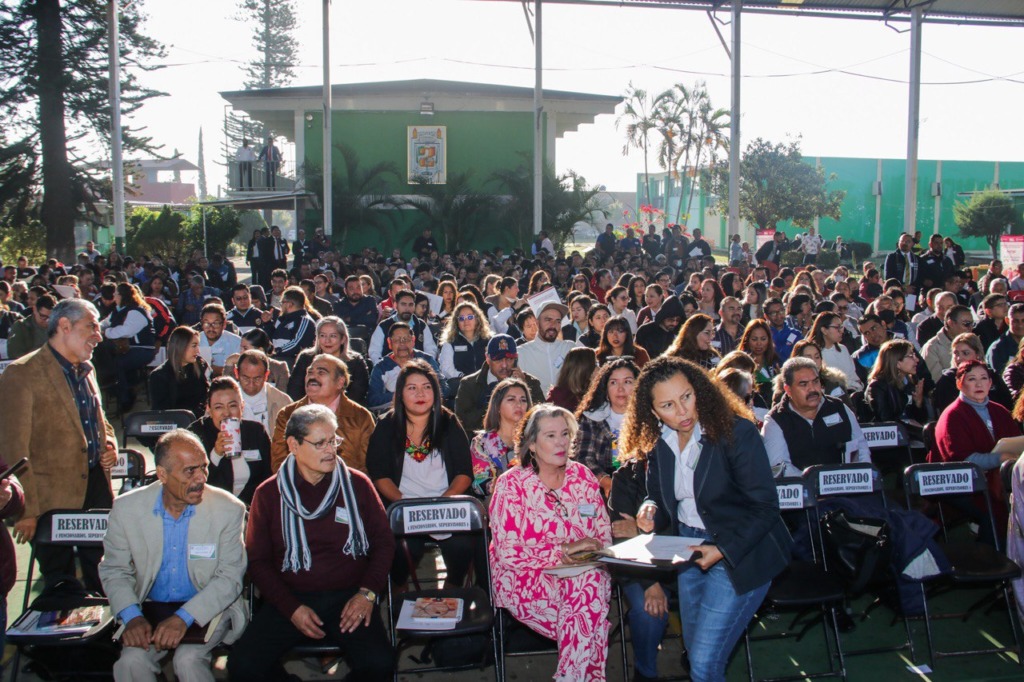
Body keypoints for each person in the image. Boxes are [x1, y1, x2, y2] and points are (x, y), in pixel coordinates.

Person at [624, 357, 791, 682]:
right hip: (689, 549)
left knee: (703, 663)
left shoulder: (735, 431)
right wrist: (649, 506)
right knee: (696, 654)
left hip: (739, 555)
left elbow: (766, 507)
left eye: (687, 396)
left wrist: (722, 549)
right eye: (668, 405)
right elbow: (658, 494)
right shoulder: (661, 442)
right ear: (653, 411)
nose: (682, 411)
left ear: (700, 388)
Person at [228, 405, 394, 682]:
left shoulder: (357, 484)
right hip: (290, 598)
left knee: (380, 664)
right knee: (243, 665)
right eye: (320, 443)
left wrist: (366, 594)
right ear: (293, 444)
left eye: (334, 440)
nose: (331, 450)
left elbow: (384, 543)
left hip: (349, 597)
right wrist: (290, 608)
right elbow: (258, 561)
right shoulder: (269, 493)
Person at [99, 430, 248, 682]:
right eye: (190, 471)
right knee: (131, 662)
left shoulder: (228, 509)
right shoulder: (127, 509)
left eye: (203, 468)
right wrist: (132, 616)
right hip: (148, 607)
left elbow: (230, 577)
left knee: (188, 659)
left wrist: (183, 617)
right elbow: (114, 569)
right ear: (162, 475)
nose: (201, 478)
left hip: (206, 608)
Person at [0, 298, 118, 591]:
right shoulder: (22, 373)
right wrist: (27, 511)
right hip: (49, 502)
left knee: (104, 574)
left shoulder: (86, 370)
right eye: (91, 325)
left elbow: (101, 420)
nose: (98, 334)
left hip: (95, 490)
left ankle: (103, 636)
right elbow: (14, 448)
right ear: (64, 326)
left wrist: (110, 445)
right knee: (60, 585)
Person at [488, 404, 613, 680]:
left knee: (587, 588)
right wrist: (562, 552)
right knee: (591, 615)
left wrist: (590, 553)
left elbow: (603, 532)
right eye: (551, 436)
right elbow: (508, 553)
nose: (562, 442)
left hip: (584, 575)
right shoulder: (512, 485)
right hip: (525, 579)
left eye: (565, 434)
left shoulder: (582, 476)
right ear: (531, 444)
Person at [366, 361, 478, 588]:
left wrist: (444, 503)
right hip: (404, 508)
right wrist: (403, 503)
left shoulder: (448, 422)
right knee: (400, 551)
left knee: (463, 547)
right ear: (400, 394)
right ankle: (398, 593)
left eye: (427, 387)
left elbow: (464, 472)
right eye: (412, 388)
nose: (420, 394)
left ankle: (452, 589)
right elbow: (379, 474)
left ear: (436, 392)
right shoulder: (386, 425)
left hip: (446, 509)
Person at [933, 361, 1019, 544]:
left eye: (983, 379)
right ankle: (994, 561)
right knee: (995, 509)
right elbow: (963, 460)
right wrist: (1000, 459)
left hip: (1002, 480)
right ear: (960, 384)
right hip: (963, 485)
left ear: (990, 383)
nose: (979, 384)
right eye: (972, 379)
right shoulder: (952, 416)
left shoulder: (1000, 411)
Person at [761, 357, 870, 477]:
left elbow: (861, 447)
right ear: (788, 390)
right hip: (805, 491)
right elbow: (780, 467)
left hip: (846, 487)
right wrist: (818, 482)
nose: (812, 389)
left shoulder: (839, 407)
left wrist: (861, 475)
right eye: (803, 384)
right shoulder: (775, 421)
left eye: (815, 381)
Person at [272, 354, 374, 474]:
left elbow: (369, 466)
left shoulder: (360, 417)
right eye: (310, 372)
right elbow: (279, 464)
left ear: (340, 382)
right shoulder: (288, 414)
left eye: (321, 373)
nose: (312, 377)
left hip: (347, 488)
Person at [188, 377, 272, 505]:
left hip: (250, 507)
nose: (226, 413)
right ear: (209, 410)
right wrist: (216, 455)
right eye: (218, 407)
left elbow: (268, 477)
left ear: (242, 407)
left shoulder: (256, 431)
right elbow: (193, 482)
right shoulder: (196, 434)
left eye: (232, 406)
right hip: (210, 506)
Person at [572, 357, 640, 498]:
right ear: (605, 388)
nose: (620, 389)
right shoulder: (591, 418)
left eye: (627, 382)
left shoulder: (649, 418)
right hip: (600, 489)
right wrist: (606, 482)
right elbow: (583, 458)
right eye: (613, 383)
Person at [454, 333, 544, 433]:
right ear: (488, 359)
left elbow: (541, 418)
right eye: (499, 360)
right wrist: (495, 405)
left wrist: (525, 388)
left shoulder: (531, 382)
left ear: (516, 358)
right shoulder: (469, 384)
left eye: (509, 359)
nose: (504, 365)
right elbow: (462, 423)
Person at [287, 316, 371, 405]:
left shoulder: (356, 361)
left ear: (343, 339)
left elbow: (358, 395)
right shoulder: (306, 358)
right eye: (322, 335)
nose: (327, 341)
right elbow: (294, 391)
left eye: (333, 336)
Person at [469, 377, 531, 498]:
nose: (519, 404)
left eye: (523, 400)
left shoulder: (534, 439)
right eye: (511, 399)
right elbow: (480, 485)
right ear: (497, 406)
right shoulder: (481, 442)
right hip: (496, 502)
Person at [100, 284, 157, 412]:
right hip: (126, 349)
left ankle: (125, 399)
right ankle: (124, 389)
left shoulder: (136, 312)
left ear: (123, 295)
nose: (114, 296)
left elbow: (127, 331)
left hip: (141, 350)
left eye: (116, 294)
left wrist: (107, 332)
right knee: (106, 362)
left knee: (116, 364)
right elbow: (104, 323)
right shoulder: (118, 311)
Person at [367, 321, 441, 408]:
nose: (402, 344)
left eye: (406, 339)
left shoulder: (427, 360)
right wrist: (402, 394)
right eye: (397, 340)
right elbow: (372, 400)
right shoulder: (381, 367)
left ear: (413, 341)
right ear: (389, 343)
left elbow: (442, 387)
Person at [150, 326, 211, 421]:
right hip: (174, 425)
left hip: (200, 422)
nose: (198, 351)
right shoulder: (159, 375)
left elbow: (205, 397)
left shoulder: (200, 365)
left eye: (198, 346)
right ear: (181, 346)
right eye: (194, 346)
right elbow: (160, 412)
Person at [517, 301, 579, 393]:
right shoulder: (521, 353)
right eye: (548, 320)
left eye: (558, 321)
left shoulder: (570, 348)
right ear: (537, 323)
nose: (553, 325)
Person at [232, 349, 291, 438]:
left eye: (257, 379)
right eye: (246, 378)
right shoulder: (223, 398)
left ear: (266, 375)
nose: (251, 384)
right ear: (236, 373)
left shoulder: (283, 402)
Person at [865, 339, 927, 423]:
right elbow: (885, 421)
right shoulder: (877, 387)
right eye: (911, 356)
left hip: (912, 432)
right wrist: (909, 425)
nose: (917, 360)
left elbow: (922, 420)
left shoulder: (911, 382)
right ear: (897, 362)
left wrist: (918, 403)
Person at [437, 301, 491, 381]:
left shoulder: (488, 340)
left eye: (470, 317)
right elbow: (446, 369)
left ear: (477, 319)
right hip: (460, 385)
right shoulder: (450, 343)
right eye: (461, 318)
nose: (466, 321)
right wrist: (464, 378)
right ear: (456, 322)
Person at [921, 304, 974, 382]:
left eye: (972, 324)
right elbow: (936, 381)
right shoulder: (932, 347)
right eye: (966, 324)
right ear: (950, 323)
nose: (970, 328)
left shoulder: (972, 343)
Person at [738, 319, 782, 405]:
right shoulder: (740, 362)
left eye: (763, 339)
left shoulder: (775, 361)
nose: (759, 343)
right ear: (747, 339)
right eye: (754, 339)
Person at [270, 287, 316, 363]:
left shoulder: (304, 320)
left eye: (282, 302)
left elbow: (296, 343)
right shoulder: (282, 319)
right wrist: (267, 323)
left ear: (289, 304)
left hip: (293, 362)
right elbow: (271, 337)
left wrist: (276, 352)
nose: (281, 306)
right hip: (277, 360)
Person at [546, 346, 598, 413]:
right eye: (596, 364)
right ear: (584, 369)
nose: (599, 368)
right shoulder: (558, 397)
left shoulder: (598, 393)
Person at [197, 302, 241, 378]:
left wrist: (216, 370)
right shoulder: (195, 341)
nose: (211, 328)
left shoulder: (236, 342)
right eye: (206, 323)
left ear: (224, 324)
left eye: (215, 323)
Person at [635, 295, 685, 360]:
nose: (674, 323)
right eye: (671, 319)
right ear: (663, 316)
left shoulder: (679, 333)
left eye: (677, 320)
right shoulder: (645, 331)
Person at [6, 292, 53, 359]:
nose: (47, 320)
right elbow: (15, 355)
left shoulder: (58, 327)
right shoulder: (21, 327)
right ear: (34, 310)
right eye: (43, 316)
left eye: (51, 317)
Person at [986, 302, 1024, 376]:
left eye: (1023, 321)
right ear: (1007, 321)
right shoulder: (998, 349)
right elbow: (1001, 379)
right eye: (1015, 321)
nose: (1020, 325)